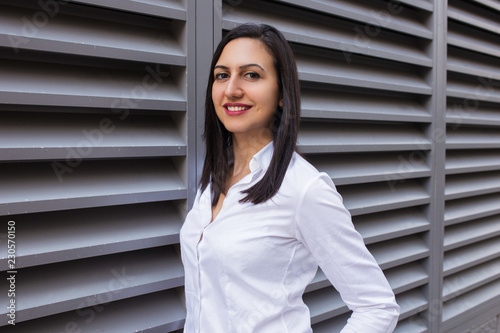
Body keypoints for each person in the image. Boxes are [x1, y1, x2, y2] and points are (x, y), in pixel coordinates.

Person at [180, 23, 400, 332]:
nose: (231, 89)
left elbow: (377, 307)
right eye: (222, 75)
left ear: (282, 93)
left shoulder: (304, 189)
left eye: (251, 75)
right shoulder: (214, 178)